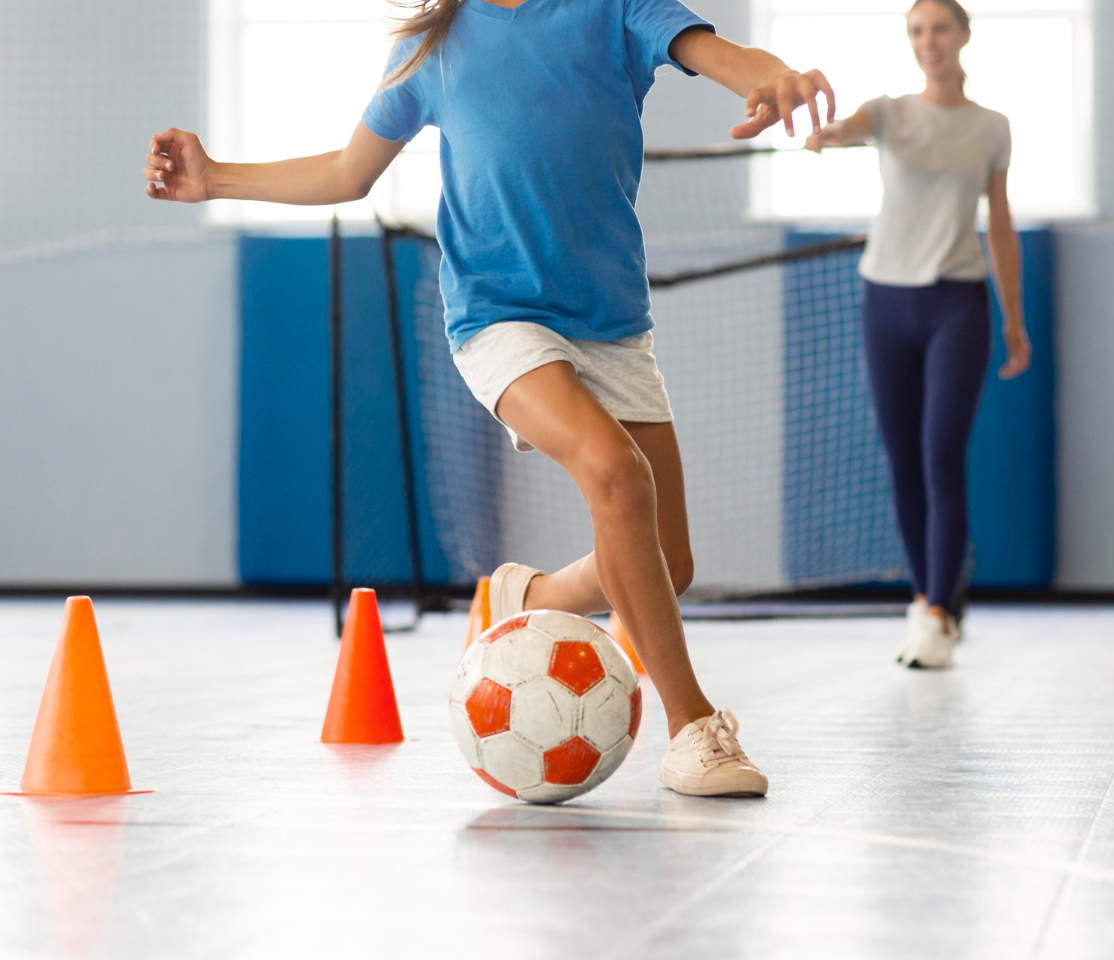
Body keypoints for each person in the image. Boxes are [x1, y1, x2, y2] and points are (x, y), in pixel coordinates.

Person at [143, 0, 835, 795]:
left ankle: (535, 595)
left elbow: (713, 52)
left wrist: (775, 75)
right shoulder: (430, 46)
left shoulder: (612, 9)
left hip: (612, 324)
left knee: (665, 564)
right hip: (496, 317)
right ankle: (695, 728)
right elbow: (348, 171)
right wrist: (216, 178)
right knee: (616, 473)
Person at [806, 0, 1029, 670]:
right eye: (916, 31)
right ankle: (924, 599)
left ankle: (938, 610)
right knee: (903, 462)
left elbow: (1001, 224)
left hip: (956, 303)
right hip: (886, 303)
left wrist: (1013, 318)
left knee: (940, 458)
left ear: (963, 36)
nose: (928, 41)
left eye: (939, 29)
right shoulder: (891, 111)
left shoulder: (992, 127)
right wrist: (827, 133)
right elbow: (849, 127)